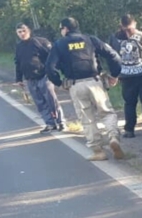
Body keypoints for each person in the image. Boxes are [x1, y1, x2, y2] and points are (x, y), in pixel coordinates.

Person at [45, 16, 126, 161]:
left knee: (87, 118)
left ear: (65, 28)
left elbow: (49, 68)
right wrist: (114, 74)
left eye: (61, 29)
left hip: (75, 85)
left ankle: (98, 151)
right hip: (95, 82)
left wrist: (59, 82)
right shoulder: (91, 39)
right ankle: (113, 137)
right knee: (107, 113)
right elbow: (113, 55)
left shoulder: (59, 44)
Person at [109, 14, 142, 138]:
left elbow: (111, 56)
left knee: (129, 103)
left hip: (126, 76)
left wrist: (115, 73)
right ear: (135, 23)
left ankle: (129, 130)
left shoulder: (115, 38)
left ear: (121, 24)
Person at [13, 23, 64, 133]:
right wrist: (19, 79)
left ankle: (60, 122)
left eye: (23, 31)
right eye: (19, 32)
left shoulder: (40, 42)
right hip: (30, 79)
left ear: (29, 31)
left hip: (44, 76)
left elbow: (51, 57)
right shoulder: (19, 47)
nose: (22, 34)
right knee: (40, 103)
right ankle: (50, 123)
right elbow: (18, 63)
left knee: (51, 100)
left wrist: (53, 72)